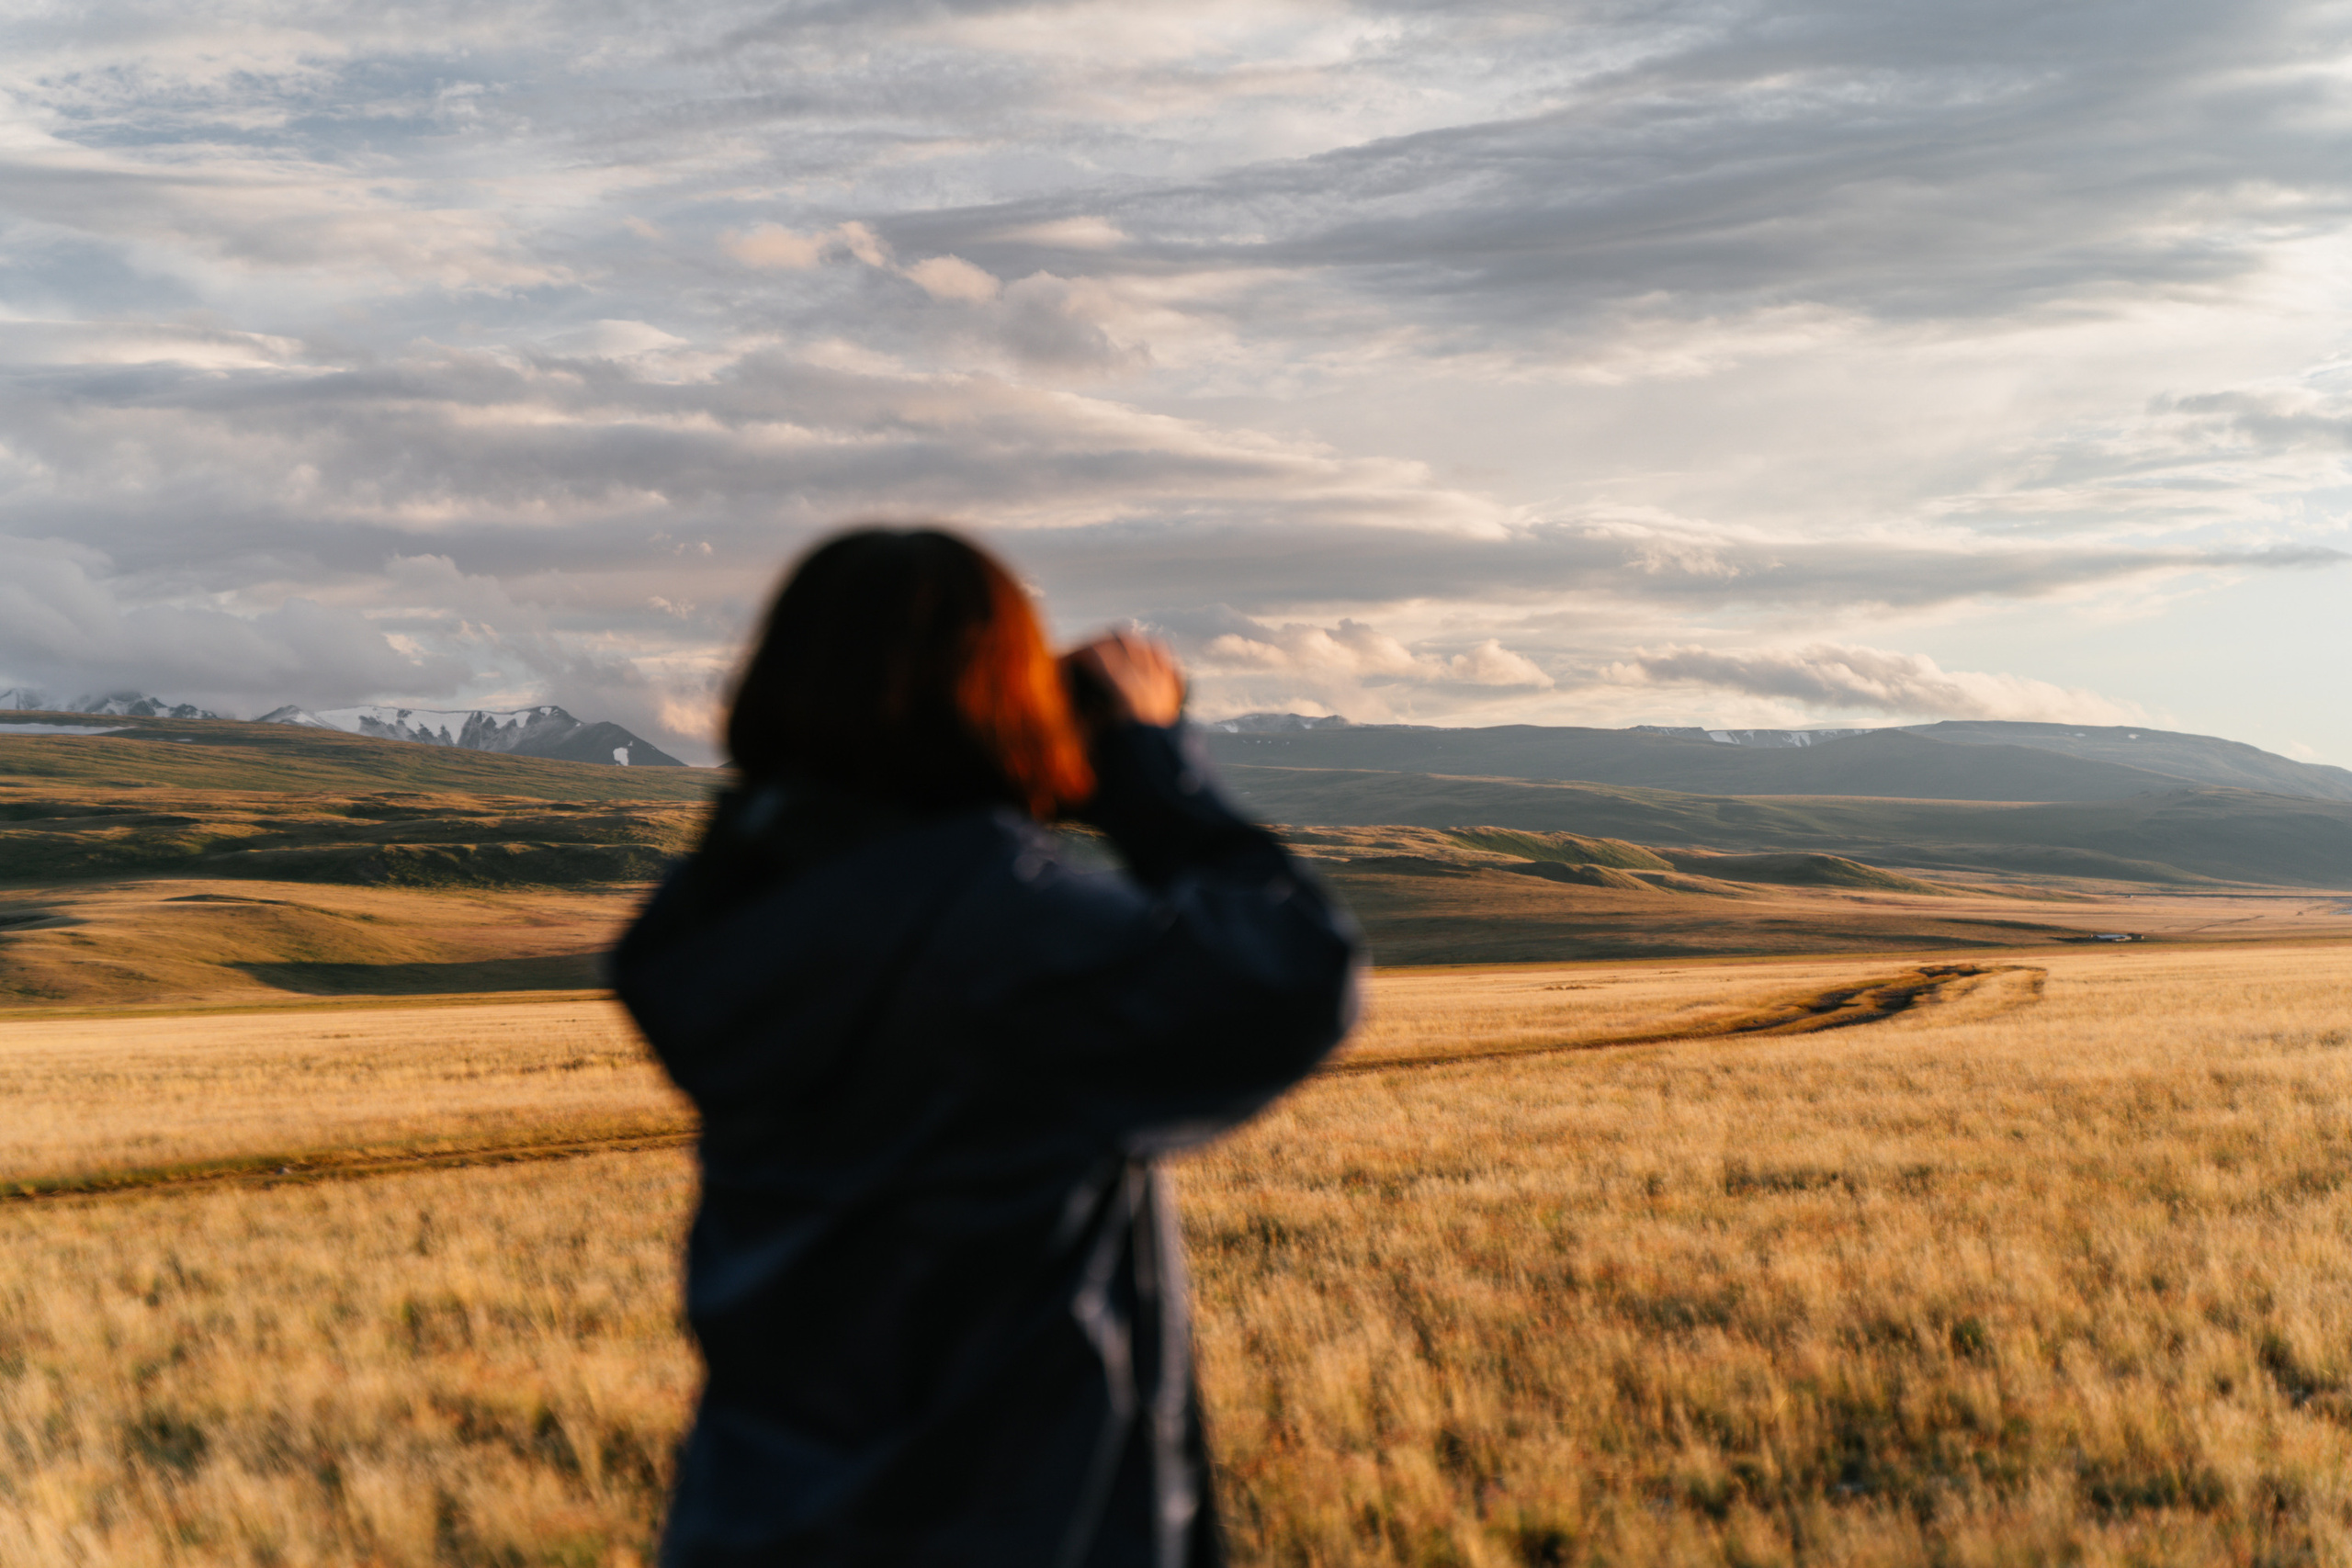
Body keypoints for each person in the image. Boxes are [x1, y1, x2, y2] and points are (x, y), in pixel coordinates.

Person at [610, 526, 1361, 1568]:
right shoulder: (1012, 942)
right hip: (1016, 1527)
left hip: (749, 1524)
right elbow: (1292, 971)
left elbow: (816, 840)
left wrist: (980, 774)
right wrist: (1140, 763)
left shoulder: (711, 930)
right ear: (997, 698)